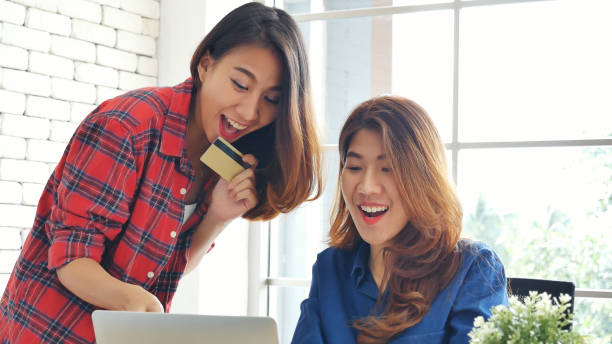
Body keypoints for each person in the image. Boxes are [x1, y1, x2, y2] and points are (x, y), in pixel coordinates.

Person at [0, 3, 322, 343]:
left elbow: (167, 270)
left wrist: (217, 216)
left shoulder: (222, 152)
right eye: (240, 84)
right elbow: (71, 259)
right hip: (45, 334)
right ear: (206, 65)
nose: (250, 111)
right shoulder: (127, 126)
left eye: (271, 99)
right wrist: (135, 301)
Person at [292, 96, 507, 343]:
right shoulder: (329, 268)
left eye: (389, 169)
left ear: (424, 178)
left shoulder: (474, 268)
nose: (367, 187)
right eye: (354, 167)